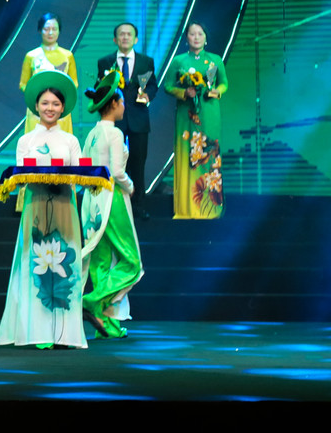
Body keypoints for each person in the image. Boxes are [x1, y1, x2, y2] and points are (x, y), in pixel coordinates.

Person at [0, 70, 85, 349]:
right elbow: (21, 176)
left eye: (55, 104)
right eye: (45, 103)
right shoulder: (26, 140)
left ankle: (64, 332)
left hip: (64, 207)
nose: (50, 108)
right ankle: (37, 331)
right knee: (35, 264)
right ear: (36, 106)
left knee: (64, 263)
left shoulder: (70, 140)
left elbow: (79, 175)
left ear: (63, 108)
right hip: (35, 206)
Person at [79, 70, 143, 339]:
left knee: (101, 260)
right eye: (122, 101)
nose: (124, 106)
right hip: (111, 197)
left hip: (92, 200)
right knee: (132, 263)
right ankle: (92, 300)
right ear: (114, 104)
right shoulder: (114, 134)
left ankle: (108, 325)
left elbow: (83, 168)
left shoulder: (91, 134)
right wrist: (131, 186)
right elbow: (117, 171)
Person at [165, 21, 228, 219]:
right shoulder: (179, 61)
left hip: (209, 113)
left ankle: (210, 208)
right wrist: (184, 92)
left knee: (210, 155)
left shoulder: (215, 60)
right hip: (187, 115)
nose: (196, 37)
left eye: (200, 34)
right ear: (187, 38)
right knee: (188, 156)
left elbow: (224, 83)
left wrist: (217, 91)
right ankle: (186, 208)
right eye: (192, 34)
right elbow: (168, 86)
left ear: (206, 38)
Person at [96, 21, 157, 218]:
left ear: (135, 39)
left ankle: (138, 206)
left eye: (129, 34)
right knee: (113, 161)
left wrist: (148, 96)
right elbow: (99, 87)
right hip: (114, 119)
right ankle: (112, 206)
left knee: (138, 162)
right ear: (115, 39)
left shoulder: (146, 61)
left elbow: (152, 85)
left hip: (139, 118)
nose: (125, 37)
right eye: (121, 34)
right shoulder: (105, 62)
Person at [19, 12, 77, 134]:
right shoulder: (31, 56)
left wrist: (57, 97)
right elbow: (23, 84)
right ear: (40, 30)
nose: (50, 33)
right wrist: (39, 96)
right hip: (38, 110)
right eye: (46, 29)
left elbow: (74, 83)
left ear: (59, 31)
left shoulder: (67, 55)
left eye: (54, 29)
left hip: (60, 110)